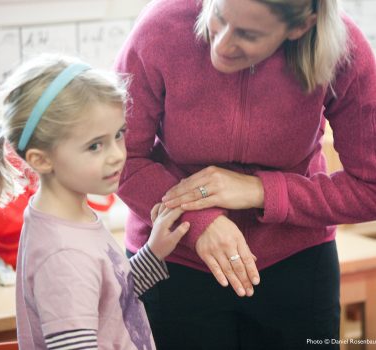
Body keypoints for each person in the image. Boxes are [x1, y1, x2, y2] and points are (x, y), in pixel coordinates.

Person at [115, 0, 376, 349]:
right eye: (218, 18)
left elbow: (370, 187)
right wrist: (199, 220)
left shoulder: (344, 51)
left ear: (300, 28)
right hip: (172, 261)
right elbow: (121, 158)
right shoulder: (160, 26)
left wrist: (259, 192)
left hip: (296, 265)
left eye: (249, 35)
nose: (221, 45)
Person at [0, 54, 190, 350]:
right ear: (41, 159)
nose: (117, 155)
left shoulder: (67, 216)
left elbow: (110, 296)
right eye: (95, 145)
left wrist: (153, 253)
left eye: (119, 135)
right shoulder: (63, 254)